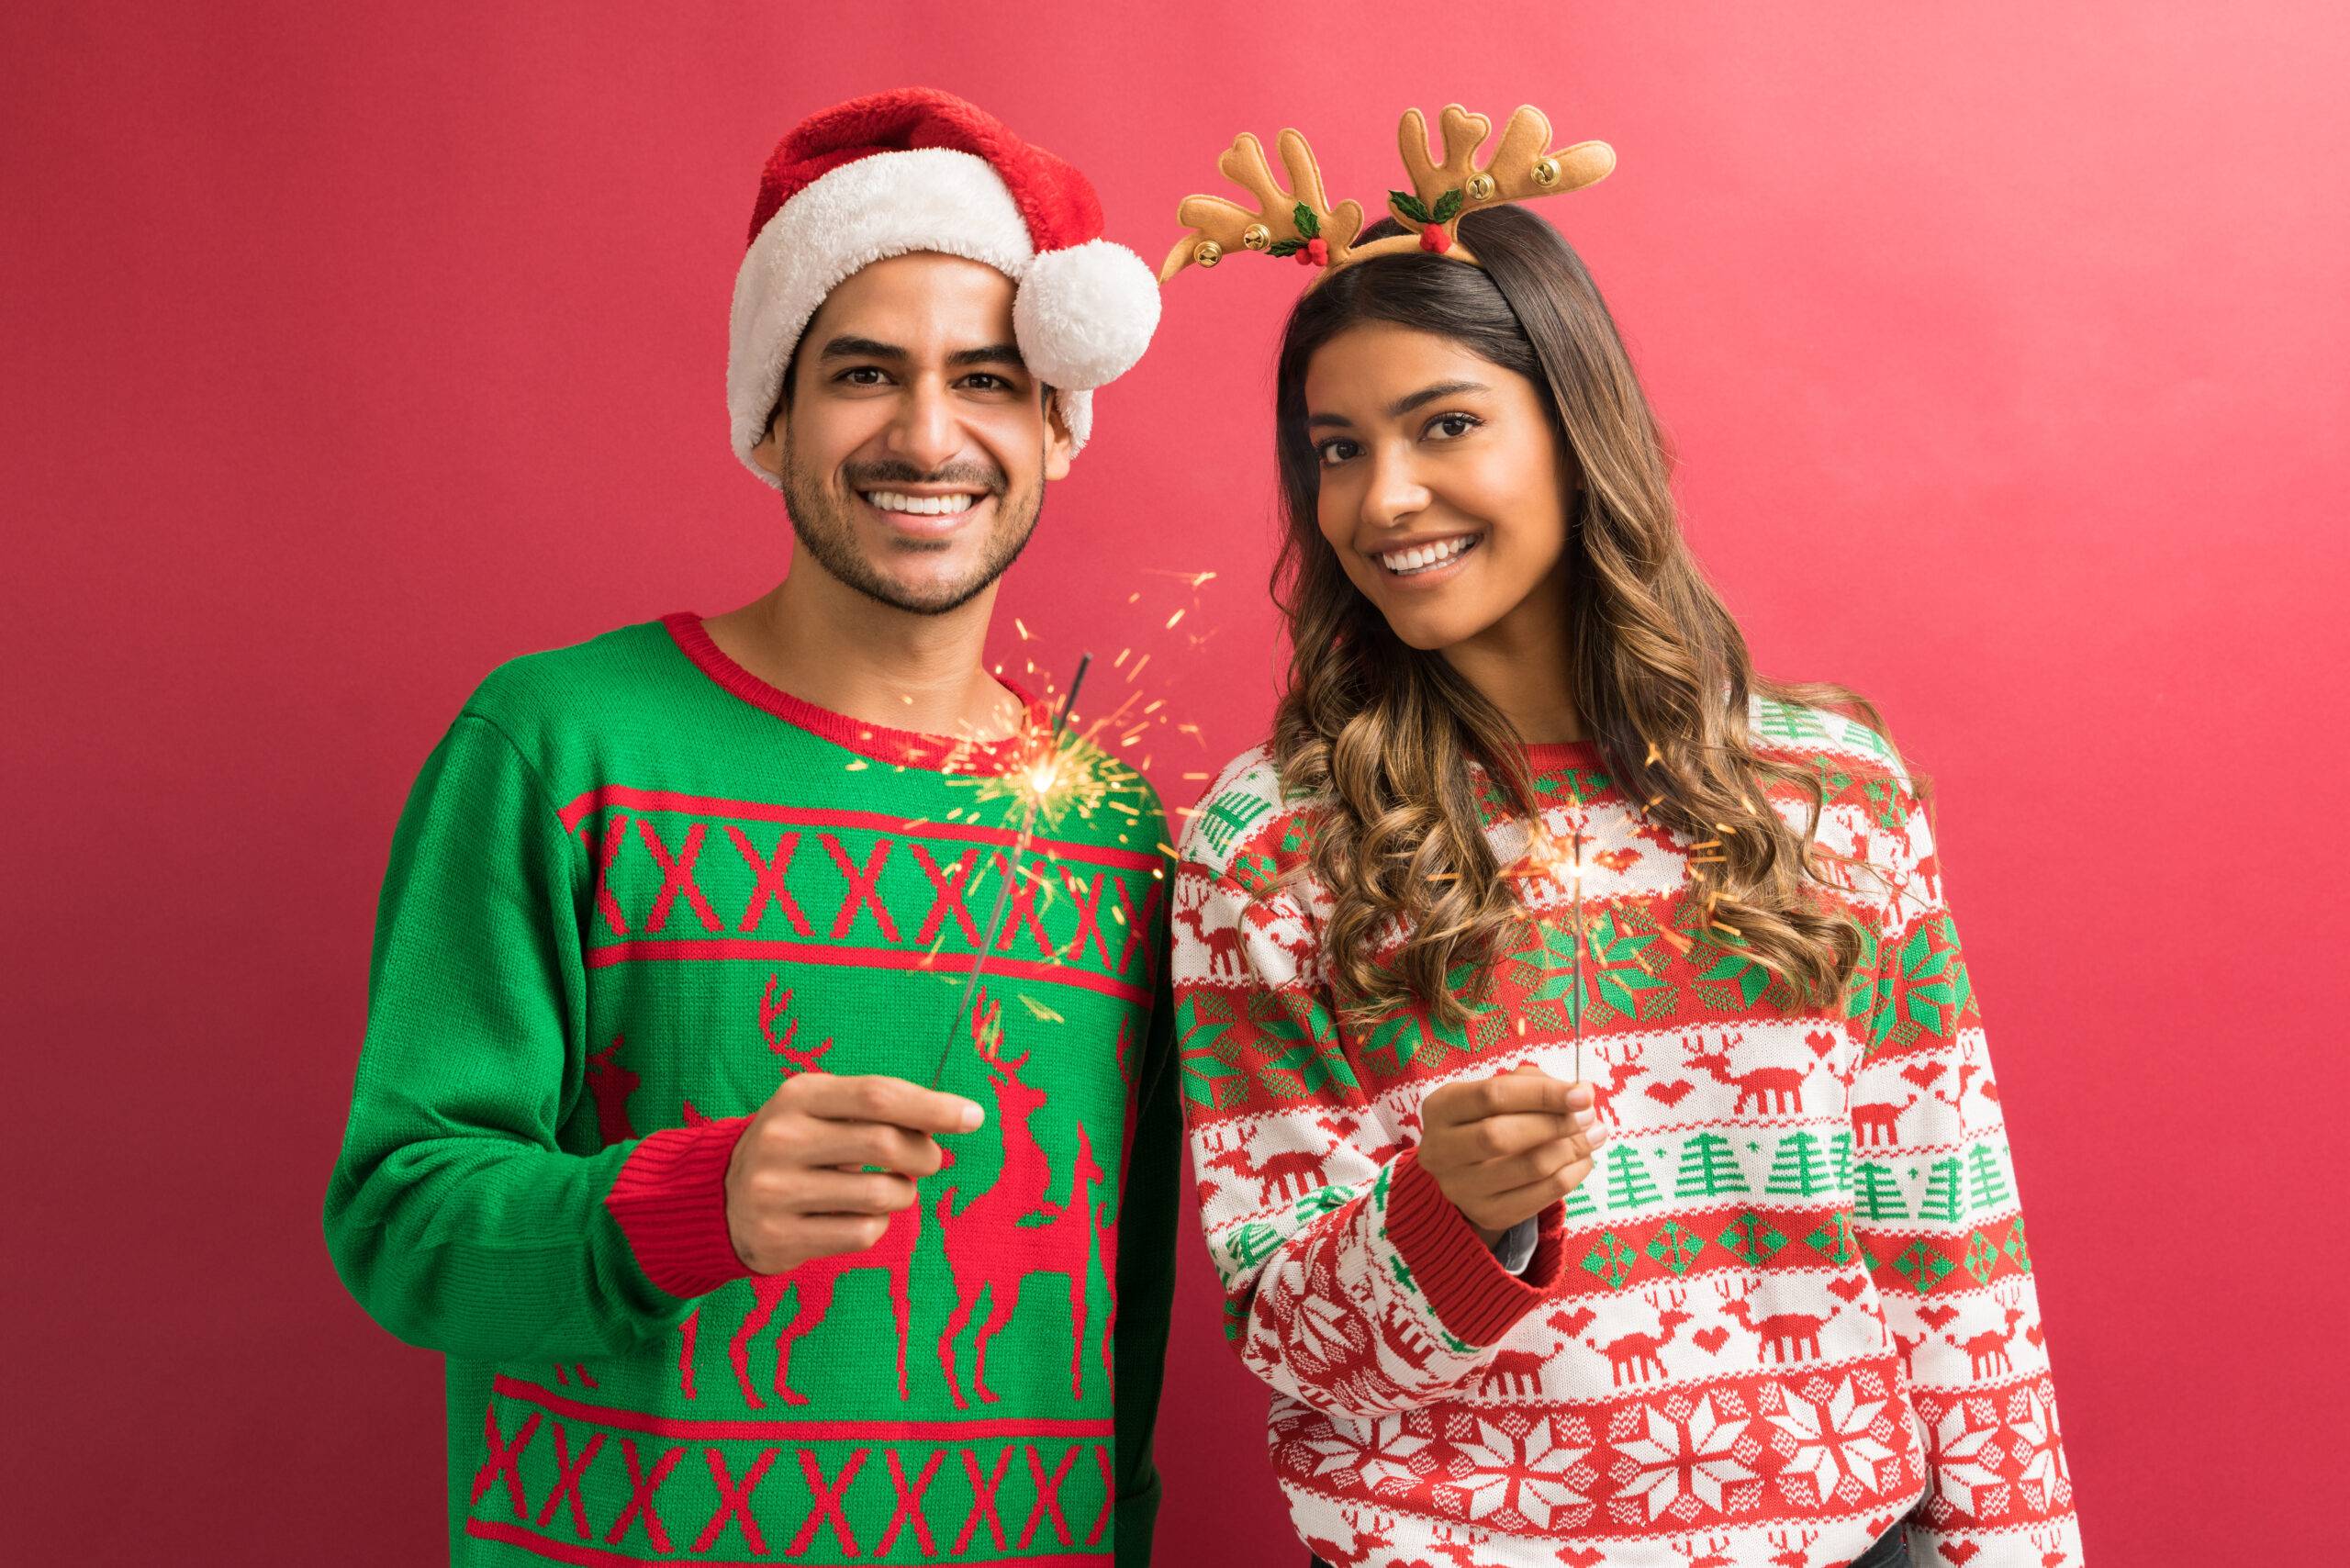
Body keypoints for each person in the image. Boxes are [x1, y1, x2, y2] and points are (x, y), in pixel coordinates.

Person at [1159, 105, 2082, 1566]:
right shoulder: (1272, 845)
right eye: (1337, 448)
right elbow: (1284, 1336)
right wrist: (1448, 1222)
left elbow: (1953, 1256)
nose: (1381, 498)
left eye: (1445, 423)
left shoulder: (1831, 792)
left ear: (1574, 431)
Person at [325, 88, 1180, 1566]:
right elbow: (400, 1219)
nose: (927, 435)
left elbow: (1129, 1309)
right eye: (862, 373)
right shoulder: (559, 744)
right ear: (771, 415)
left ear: (1056, 425)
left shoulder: (1115, 823)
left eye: (985, 380)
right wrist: (691, 1202)